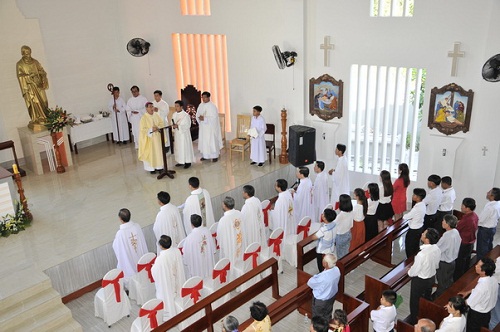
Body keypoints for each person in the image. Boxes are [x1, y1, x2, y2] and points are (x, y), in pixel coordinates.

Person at [407, 228, 441, 325]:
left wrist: (409, 272)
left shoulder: (421, 255)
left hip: (420, 281)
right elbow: (437, 265)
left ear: (427, 239)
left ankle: (414, 322)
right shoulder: (437, 249)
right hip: (431, 278)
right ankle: (425, 316)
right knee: (426, 298)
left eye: (424, 234)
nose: (422, 234)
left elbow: (414, 271)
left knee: (414, 302)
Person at [459, 257, 498, 331]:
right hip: (487, 313)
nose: (475, 266)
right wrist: (468, 292)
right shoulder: (493, 279)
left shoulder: (481, 287)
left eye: (478, 265)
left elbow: (469, 302)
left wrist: (454, 303)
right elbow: (480, 292)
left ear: (483, 271)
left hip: (477, 315)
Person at [151, 235, 185, 320]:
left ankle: (169, 316)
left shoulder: (160, 259)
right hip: (177, 278)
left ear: (161, 246)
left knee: (164, 294)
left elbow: (155, 272)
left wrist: (153, 267)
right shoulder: (176, 251)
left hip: (168, 283)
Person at [112, 208, 148, 288]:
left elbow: (116, 247)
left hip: (130, 259)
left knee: (128, 266)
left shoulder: (120, 233)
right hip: (140, 256)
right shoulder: (137, 226)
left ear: (120, 219)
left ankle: (132, 287)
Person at [16, 45, 49, 125]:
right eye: (26, 54)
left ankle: (46, 117)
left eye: (29, 53)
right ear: (22, 54)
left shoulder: (35, 62)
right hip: (30, 88)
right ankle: (37, 118)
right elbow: (20, 76)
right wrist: (29, 76)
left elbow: (42, 71)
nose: (29, 55)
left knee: (44, 101)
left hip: (39, 85)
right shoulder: (20, 64)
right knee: (34, 103)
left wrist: (41, 74)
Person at [433, 215, 461, 299]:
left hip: (444, 263)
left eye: (444, 221)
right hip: (452, 261)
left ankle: (439, 299)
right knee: (448, 280)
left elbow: (439, 248)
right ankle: (448, 295)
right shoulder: (455, 232)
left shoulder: (447, 236)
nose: (442, 222)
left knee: (442, 283)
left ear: (448, 224)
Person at [307, 254, 341, 322]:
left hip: (321, 301)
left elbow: (310, 282)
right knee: (327, 314)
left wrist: (316, 276)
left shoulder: (323, 278)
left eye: (323, 260)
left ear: (326, 263)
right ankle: (327, 326)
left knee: (317, 319)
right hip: (331, 297)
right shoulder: (337, 270)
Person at [182, 214, 216, 279]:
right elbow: (212, 248)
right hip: (208, 262)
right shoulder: (207, 231)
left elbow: (186, 255)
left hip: (197, 266)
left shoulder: (189, 238)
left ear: (192, 225)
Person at [454, 197, 479, 281]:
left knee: (460, 262)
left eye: (462, 205)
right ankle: (464, 275)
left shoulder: (468, 219)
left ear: (467, 208)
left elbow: (458, 229)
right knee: (466, 260)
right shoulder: (474, 215)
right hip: (470, 242)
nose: (461, 207)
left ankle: (457, 280)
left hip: (464, 242)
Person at [217, 196, 244, 268]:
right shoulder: (239, 213)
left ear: (225, 206)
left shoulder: (223, 220)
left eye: (223, 204)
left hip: (230, 247)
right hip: (241, 243)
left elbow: (220, 237)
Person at [138, 102, 165, 174]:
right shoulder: (144, 118)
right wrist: (151, 129)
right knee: (150, 153)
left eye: (152, 106)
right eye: (150, 107)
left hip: (157, 138)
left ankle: (159, 167)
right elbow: (142, 129)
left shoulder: (156, 115)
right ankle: (151, 168)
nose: (151, 108)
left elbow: (161, 123)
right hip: (149, 139)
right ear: (146, 108)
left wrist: (158, 127)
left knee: (158, 152)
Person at [196, 91, 223, 162]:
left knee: (212, 141)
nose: (203, 99)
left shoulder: (212, 106)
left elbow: (214, 118)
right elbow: (197, 114)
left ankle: (215, 156)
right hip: (203, 128)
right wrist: (199, 117)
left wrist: (205, 118)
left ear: (208, 97)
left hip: (211, 128)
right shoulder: (200, 105)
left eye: (205, 97)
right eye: (202, 97)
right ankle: (205, 156)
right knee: (204, 141)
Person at [476, 187, 500, 260]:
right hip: (492, 228)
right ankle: (488, 260)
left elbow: (481, 219)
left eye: (489, 192)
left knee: (481, 249)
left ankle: (481, 264)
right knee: (488, 246)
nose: (487, 193)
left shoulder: (490, 207)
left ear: (492, 196)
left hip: (485, 230)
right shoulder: (497, 203)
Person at [241, 185, 265, 250]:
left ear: (246, 194)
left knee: (252, 243)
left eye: (243, 192)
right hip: (258, 225)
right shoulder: (257, 200)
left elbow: (242, 220)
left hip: (251, 229)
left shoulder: (246, 207)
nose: (242, 193)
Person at [403, 188, 426, 258]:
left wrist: (404, 216)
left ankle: (409, 261)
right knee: (415, 245)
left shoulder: (416, 208)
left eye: (414, 195)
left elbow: (406, 216)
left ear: (418, 197)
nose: (412, 196)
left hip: (413, 230)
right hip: (419, 227)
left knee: (409, 246)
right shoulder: (423, 205)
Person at [172, 100, 195, 169]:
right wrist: (173, 126)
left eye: (177, 106)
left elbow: (188, 125)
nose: (176, 108)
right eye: (175, 106)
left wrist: (178, 126)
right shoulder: (174, 114)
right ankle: (180, 161)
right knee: (178, 148)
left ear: (181, 107)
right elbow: (172, 122)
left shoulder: (185, 115)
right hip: (177, 135)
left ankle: (187, 162)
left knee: (185, 147)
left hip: (184, 135)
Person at [335, 194, 353, 259]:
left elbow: (334, 224)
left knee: (340, 255)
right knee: (346, 251)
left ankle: (342, 267)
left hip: (340, 236)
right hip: (348, 233)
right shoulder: (351, 212)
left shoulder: (340, 215)